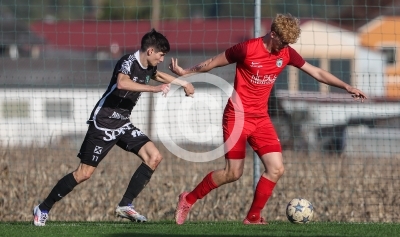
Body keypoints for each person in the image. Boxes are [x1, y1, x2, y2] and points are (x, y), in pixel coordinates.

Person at [169, 13, 367, 225]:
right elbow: (212, 62)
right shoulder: (246, 48)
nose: (285, 48)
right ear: (272, 34)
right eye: (283, 42)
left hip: (260, 119)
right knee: (233, 173)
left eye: (289, 44)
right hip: (236, 117)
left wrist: (346, 86)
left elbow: (316, 72)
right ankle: (188, 199)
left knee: (276, 168)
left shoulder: (287, 53)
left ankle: (253, 217)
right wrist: (186, 72)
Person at [33, 29, 195, 226]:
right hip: (103, 122)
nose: (162, 59)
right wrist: (153, 89)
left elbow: (157, 75)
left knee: (154, 157)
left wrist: (183, 82)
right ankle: (43, 208)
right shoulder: (127, 61)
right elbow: (121, 83)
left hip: (123, 123)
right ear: (150, 51)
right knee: (84, 173)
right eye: (161, 55)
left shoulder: (148, 66)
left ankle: (125, 205)